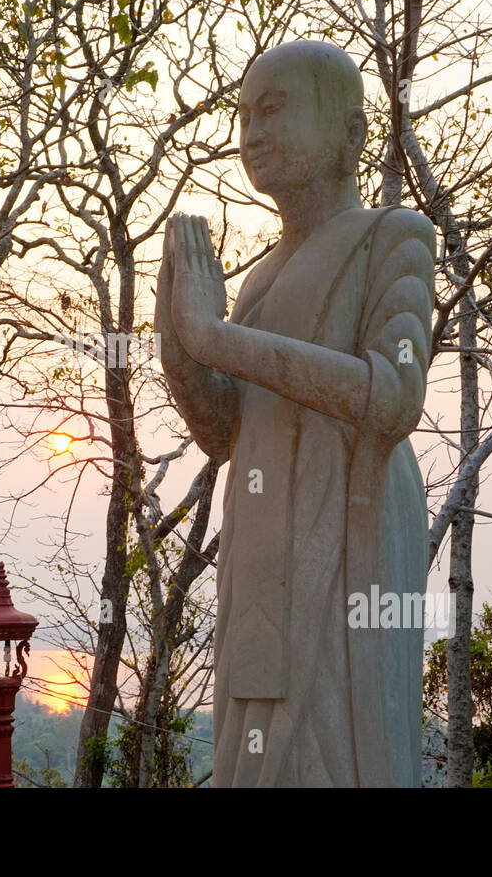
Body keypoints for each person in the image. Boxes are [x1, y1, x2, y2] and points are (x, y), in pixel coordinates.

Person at [155, 40, 435, 786]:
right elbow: (222, 432)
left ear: (350, 133)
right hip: (260, 536)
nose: (251, 133)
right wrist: (180, 340)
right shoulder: (259, 279)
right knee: (256, 740)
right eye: (243, 115)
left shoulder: (391, 238)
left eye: (273, 110)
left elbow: (395, 393)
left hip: (351, 516)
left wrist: (219, 338)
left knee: (341, 744)